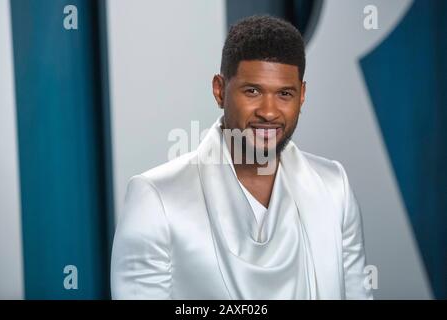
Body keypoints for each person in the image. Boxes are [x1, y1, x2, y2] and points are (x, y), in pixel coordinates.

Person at [111, 15, 372, 300]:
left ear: (302, 96)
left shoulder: (334, 188)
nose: (269, 111)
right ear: (220, 90)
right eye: (253, 91)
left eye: (284, 94)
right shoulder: (156, 198)